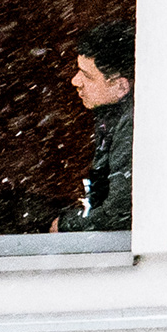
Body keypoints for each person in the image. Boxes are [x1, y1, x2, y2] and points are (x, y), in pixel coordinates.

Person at [57, 20, 132, 235]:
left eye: (87, 75)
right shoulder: (111, 117)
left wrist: (64, 226)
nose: (75, 81)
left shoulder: (132, 126)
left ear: (120, 86)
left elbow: (118, 215)